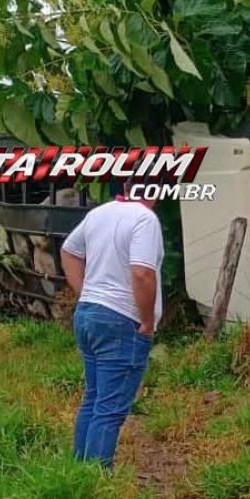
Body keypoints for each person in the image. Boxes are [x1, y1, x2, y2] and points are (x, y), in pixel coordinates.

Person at [60, 176, 164, 469]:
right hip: (122, 321)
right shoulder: (145, 219)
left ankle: (80, 472)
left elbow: (68, 251)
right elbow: (142, 273)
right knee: (109, 410)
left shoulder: (99, 213)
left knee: (94, 398)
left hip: (89, 314)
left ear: (128, 187)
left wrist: (86, 292)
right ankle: (95, 480)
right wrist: (146, 321)